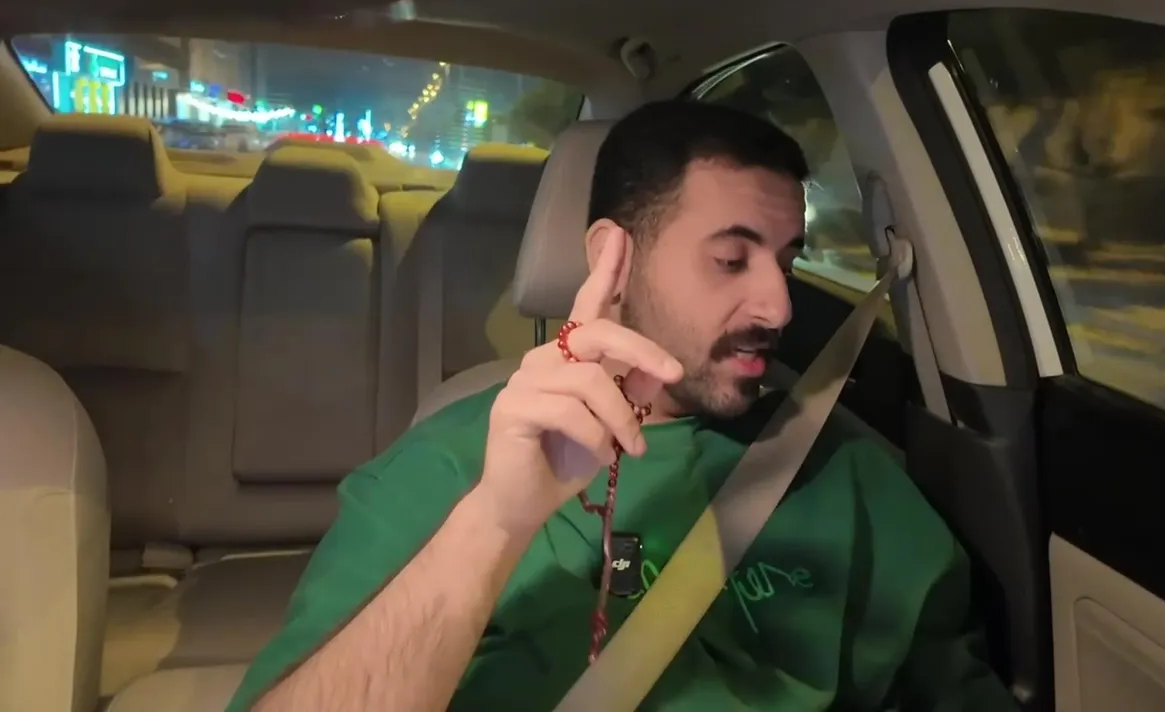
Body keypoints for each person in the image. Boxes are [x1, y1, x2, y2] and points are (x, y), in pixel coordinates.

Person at [227, 100, 1017, 712]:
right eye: (731, 259)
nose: (779, 306)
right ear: (613, 256)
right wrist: (497, 522)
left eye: (786, 261)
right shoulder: (445, 469)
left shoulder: (845, 471)